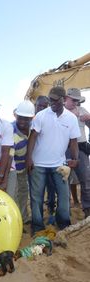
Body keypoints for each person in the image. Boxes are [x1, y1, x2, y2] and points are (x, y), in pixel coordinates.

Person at [26, 86, 80, 234]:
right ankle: (37, 227)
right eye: (51, 100)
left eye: (55, 101)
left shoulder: (71, 118)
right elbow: (33, 138)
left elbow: (74, 141)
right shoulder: (41, 116)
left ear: (63, 99)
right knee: (36, 197)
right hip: (38, 165)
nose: (52, 104)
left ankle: (63, 225)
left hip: (59, 165)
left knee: (63, 196)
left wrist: (75, 159)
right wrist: (29, 158)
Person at [64, 88, 90, 218]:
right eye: (73, 100)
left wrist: (89, 118)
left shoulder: (83, 111)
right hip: (64, 148)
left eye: (77, 100)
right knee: (65, 180)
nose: (75, 102)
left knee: (86, 179)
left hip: (81, 147)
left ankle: (87, 209)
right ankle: (66, 210)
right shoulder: (60, 112)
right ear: (66, 98)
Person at [11, 100, 35, 224]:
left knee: (23, 192)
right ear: (16, 116)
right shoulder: (11, 131)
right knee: (13, 195)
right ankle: (15, 222)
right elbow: (8, 157)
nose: (23, 121)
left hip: (24, 169)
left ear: (32, 118)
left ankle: (24, 218)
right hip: (12, 170)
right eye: (20, 118)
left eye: (27, 119)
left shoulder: (33, 129)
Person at [35, 95, 56, 224]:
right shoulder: (30, 121)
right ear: (35, 106)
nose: (42, 108)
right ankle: (38, 217)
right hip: (37, 163)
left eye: (44, 106)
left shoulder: (52, 120)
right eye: (40, 106)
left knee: (52, 188)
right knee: (38, 191)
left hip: (51, 161)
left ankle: (51, 211)